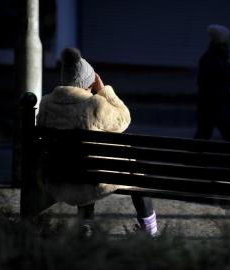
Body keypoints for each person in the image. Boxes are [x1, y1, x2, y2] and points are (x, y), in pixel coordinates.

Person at [36, 47, 157, 237]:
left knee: (80, 158)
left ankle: (85, 224)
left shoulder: (45, 104)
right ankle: (149, 228)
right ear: (87, 82)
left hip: (58, 182)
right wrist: (103, 90)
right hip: (91, 184)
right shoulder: (95, 105)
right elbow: (124, 118)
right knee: (134, 168)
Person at [194, 24, 230, 142]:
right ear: (221, 39)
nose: (229, 40)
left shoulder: (217, 56)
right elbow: (214, 82)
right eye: (227, 37)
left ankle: (192, 158)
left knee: (203, 135)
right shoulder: (214, 58)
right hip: (217, 105)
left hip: (211, 105)